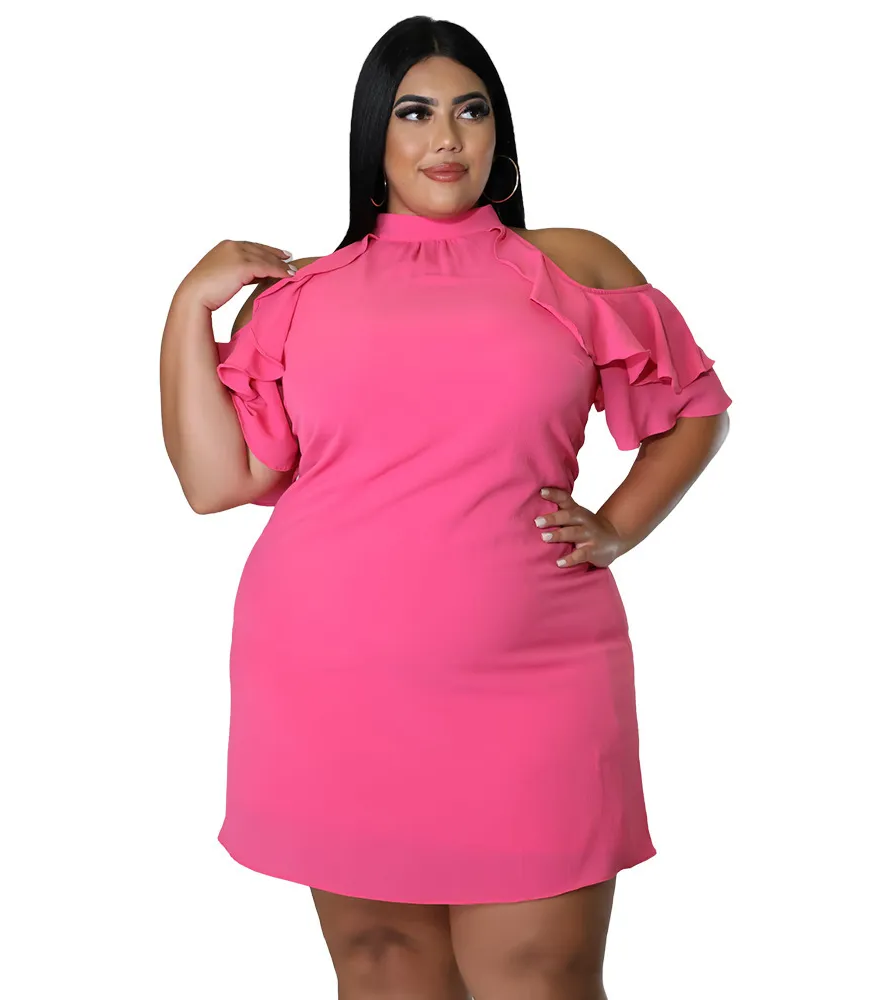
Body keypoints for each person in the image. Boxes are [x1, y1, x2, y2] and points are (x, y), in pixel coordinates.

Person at [160, 15, 732, 1000]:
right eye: (414, 113)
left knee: (541, 975)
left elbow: (694, 411)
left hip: (535, 674)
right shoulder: (297, 295)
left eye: (471, 112)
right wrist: (185, 308)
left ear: (499, 132)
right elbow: (219, 482)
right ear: (372, 135)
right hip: (331, 677)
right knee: (386, 973)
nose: (447, 138)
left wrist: (618, 526)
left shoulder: (570, 263)